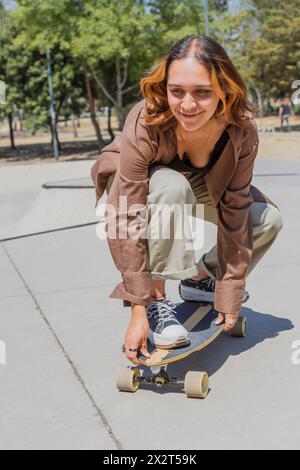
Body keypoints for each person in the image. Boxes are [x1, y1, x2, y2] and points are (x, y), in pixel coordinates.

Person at [91, 34, 283, 365]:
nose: (188, 104)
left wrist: (229, 288)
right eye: (176, 91)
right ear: (164, 88)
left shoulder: (241, 129)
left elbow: (236, 208)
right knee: (170, 185)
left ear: (225, 89)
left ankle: (201, 279)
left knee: (265, 218)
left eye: (202, 92)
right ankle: (158, 303)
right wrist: (139, 306)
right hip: (137, 187)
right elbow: (126, 215)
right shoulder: (146, 119)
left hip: (201, 185)